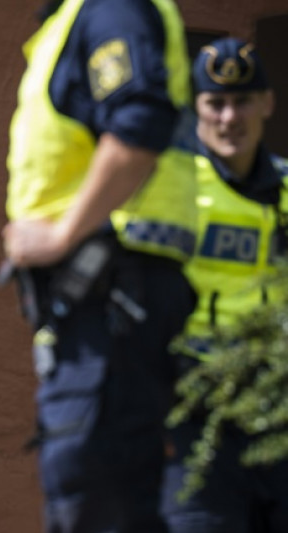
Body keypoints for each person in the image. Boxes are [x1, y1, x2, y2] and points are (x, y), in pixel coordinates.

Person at [1, 0, 198, 530]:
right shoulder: (69, 21)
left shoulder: (111, 8)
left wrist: (64, 233)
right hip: (98, 309)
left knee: (99, 501)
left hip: (113, 302)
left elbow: (139, 124)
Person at [160, 37, 288, 533]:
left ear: (268, 104)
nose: (229, 118)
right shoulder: (170, 190)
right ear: (197, 108)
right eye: (216, 103)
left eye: (243, 101)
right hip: (194, 408)